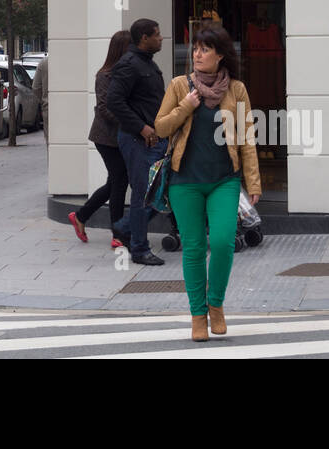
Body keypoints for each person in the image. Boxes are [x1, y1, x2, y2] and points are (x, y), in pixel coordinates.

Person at [155, 23, 262, 342]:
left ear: (220, 55)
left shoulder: (236, 89)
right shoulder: (178, 86)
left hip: (223, 181)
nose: (197, 54)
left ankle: (216, 305)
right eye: (195, 48)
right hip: (184, 181)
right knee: (194, 247)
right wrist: (185, 106)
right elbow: (160, 128)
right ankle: (198, 315)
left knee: (223, 242)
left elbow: (246, 137)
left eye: (204, 49)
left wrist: (253, 181)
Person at [104, 18, 168, 266]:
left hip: (154, 139)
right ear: (144, 38)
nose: (161, 38)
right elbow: (114, 101)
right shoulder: (128, 65)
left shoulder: (146, 63)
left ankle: (124, 227)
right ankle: (140, 249)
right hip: (137, 140)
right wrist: (141, 128)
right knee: (145, 194)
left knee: (161, 191)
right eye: (158, 34)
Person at [69, 30, 130, 247]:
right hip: (106, 137)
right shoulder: (104, 75)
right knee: (119, 181)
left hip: (122, 136)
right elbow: (104, 108)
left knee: (116, 181)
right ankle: (117, 233)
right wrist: (131, 122)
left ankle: (82, 216)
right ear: (121, 50)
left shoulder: (127, 73)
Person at [32, 55, 48, 141]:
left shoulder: (44, 63)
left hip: (48, 107)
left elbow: (35, 87)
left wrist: (43, 100)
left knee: (51, 141)